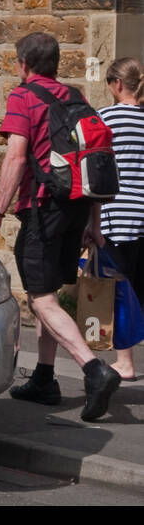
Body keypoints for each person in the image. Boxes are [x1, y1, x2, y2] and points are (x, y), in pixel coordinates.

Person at [0, 31, 120, 421]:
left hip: (42, 209)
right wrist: (95, 222)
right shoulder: (76, 97)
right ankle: (44, 378)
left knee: (41, 299)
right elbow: (93, 160)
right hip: (75, 208)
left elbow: (16, 159)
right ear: (56, 63)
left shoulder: (23, 97)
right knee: (51, 292)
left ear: (23, 64)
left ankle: (94, 369)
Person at [99, 58, 144, 380]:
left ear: (116, 85)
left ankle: (125, 362)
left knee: (119, 289)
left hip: (117, 217)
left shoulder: (104, 120)